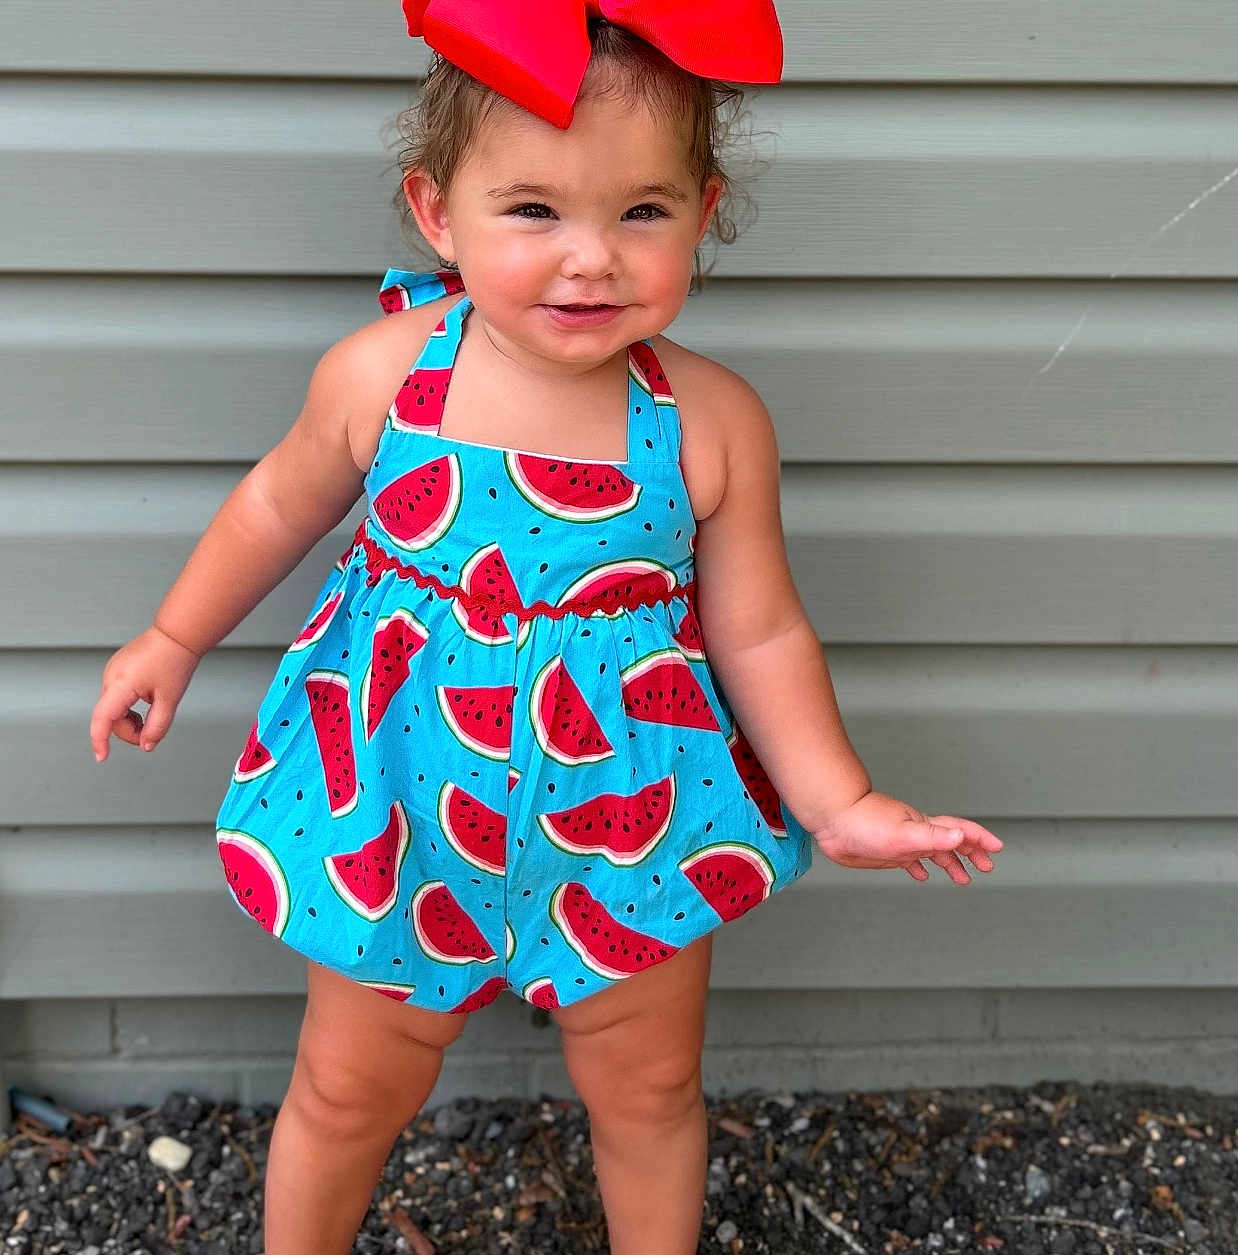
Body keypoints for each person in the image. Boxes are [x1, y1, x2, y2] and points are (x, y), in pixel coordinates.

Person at [89, 3, 1003, 1252]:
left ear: (704, 211)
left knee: (648, 1088)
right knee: (352, 1086)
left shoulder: (711, 420)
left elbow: (763, 633)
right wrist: (171, 637)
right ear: (437, 213)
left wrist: (838, 799)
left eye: (642, 212)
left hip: (636, 806)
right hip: (399, 795)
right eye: (534, 211)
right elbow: (272, 505)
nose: (591, 259)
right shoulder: (383, 376)